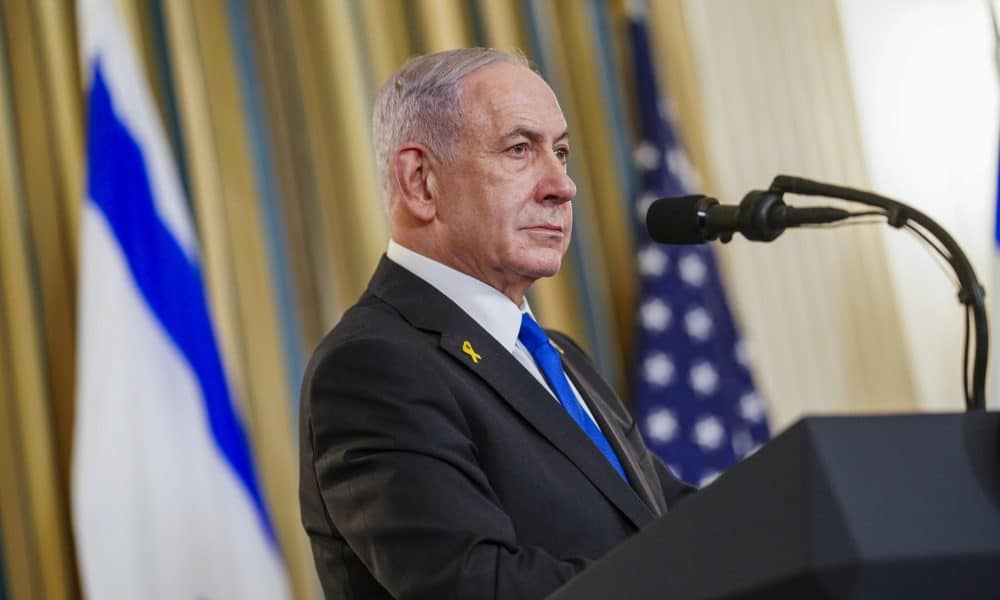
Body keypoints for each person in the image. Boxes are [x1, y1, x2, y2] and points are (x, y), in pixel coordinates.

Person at [299, 47, 694, 600]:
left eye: (561, 152)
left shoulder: (556, 354)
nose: (563, 185)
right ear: (420, 182)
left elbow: (662, 516)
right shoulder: (373, 366)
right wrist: (690, 583)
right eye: (519, 150)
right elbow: (471, 585)